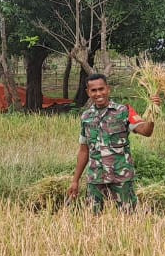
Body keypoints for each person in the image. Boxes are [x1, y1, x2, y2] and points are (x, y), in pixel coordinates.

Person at [66, 74, 158, 213]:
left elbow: (146, 131)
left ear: (108, 89)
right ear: (88, 92)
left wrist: (153, 111)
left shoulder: (124, 111)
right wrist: (75, 180)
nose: (98, 94)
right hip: (96, 178)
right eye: (94, 90)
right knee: (92, 218)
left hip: (121, 177)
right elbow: (84, 150)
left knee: (128, 218)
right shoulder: (86, 117)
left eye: (101, 89)